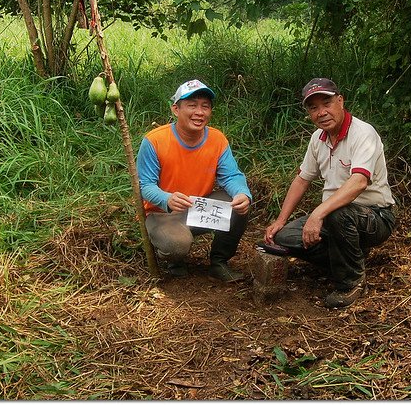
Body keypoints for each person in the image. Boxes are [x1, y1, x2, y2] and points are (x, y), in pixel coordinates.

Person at [264, 78, 396, 308]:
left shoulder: (363, 133)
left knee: (337, 214)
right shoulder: (318, 139)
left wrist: (317, 215)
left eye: (327, 103)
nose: (321, 112)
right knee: (285, 237)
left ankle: (351, 282)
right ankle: (346, 257)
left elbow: (359, 182)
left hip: (375, 216)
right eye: (313, 108)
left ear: (340, 101)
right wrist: (280, 221)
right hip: (334, 216)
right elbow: (302, 179)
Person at [137, 79, 252, 282]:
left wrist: (242, 193)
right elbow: (145, 185)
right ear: (176, 109)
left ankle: (219, 263)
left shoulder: (217, 140)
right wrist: (166, 198)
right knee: (177, 245)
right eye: (192, 105)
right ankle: (174, 258)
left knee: (238, 205)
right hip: (162, 213)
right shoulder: (154, 140)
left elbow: (232, 175)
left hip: (197, 208)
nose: (199, 112)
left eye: (205, 106)